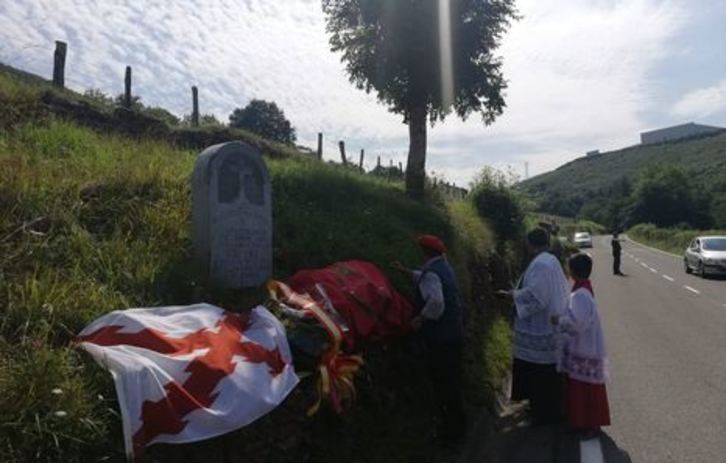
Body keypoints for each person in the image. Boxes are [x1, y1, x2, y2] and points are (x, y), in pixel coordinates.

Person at [392, 234, 466, 444]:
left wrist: (420, 319)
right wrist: (406, 271)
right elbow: (427, 278)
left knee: (444, 385)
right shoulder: (445, 267)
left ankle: (451, 434)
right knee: (452, 383)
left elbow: (436, 302)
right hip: (454, 334)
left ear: (424, 252)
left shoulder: (433, 273)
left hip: (441, 338)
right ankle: (459, 428)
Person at [499, 228, 570, 425]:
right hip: (548, 323)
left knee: (540, 373)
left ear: (531, 243)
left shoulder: (541, 264)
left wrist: (511, 295)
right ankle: (548, 409)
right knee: (547, 372)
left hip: (541, 326)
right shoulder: (551, 259)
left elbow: (538, 296)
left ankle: (543, 413)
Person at [552, 253, 610, 437]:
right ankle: (585, 423)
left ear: (573, 271)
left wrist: (559, 320)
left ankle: (588, 425)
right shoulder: (583, 290)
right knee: (586, 388)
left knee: (583, 389)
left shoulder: (580, 295)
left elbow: (577, 324)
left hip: (583, 349)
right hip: (585, 348)